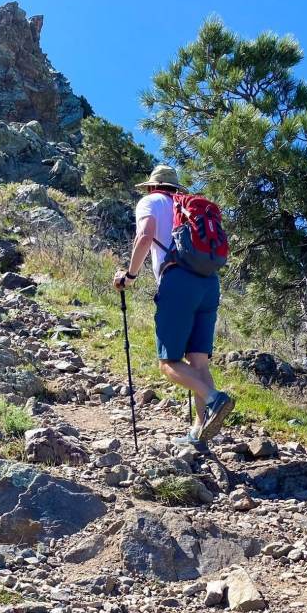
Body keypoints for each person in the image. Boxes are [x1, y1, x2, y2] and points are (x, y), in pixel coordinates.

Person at [113, 164, 235, 445]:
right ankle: (200, 433)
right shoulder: (188, 206)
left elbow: (145, 236)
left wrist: (130, 276)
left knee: (168, 363)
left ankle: (215, 398)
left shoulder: (150, 201)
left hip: (178, 281)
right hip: (209, 283)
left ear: (152, 186)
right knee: (199, 362)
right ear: (175, 187)